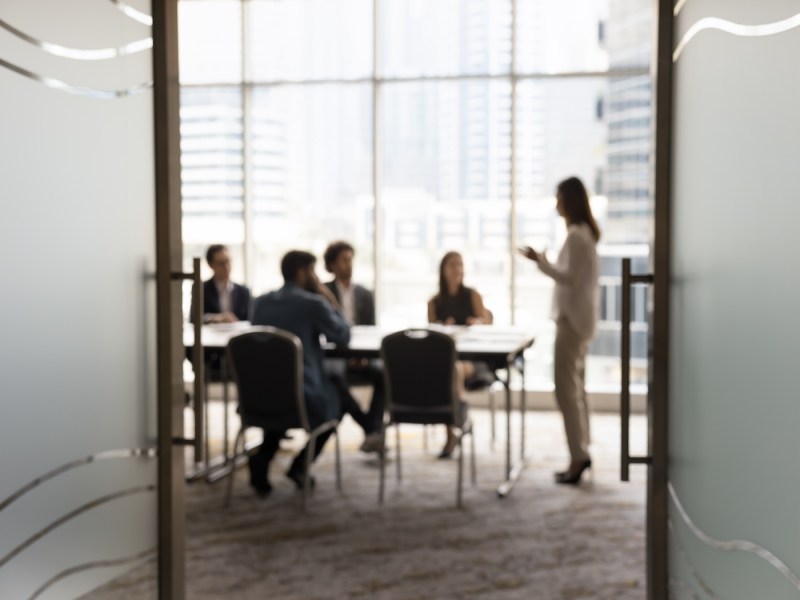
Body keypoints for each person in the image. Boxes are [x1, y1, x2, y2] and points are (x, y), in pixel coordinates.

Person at [248, 250, 373, 496]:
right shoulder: (312, 304)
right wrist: (329, 299)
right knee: (335, 405)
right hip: (301, 395)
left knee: (283, 395)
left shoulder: (260, 303)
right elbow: (343, 336)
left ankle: (262, 458)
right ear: (303, 272)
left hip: (260, 395)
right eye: (313, 271)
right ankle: (300, 466)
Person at [518, 176, 600, 485]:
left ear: (569, 200)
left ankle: (578, 456)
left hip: (572, 323)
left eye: (559, 198)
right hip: (580, 321)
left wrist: (539, 261)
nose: (556, 204)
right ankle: (582, 450)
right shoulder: (584, 236)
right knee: (577, 389)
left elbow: (567, 278)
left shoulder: (577, 237)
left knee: (566, 391)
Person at [427, 251, 493, 459]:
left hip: (473, 359)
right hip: (446, 357)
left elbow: (487, 323)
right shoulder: (434, 302)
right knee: (445, 370)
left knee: (451, 371)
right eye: (452, 265)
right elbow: (431, 332)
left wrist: (478, 322)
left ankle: (456, 424)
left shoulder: (472, 295)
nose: (457, 269)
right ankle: (457, 424)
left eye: (460, 265)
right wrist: (443, 327)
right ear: (443, 270)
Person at [323, 241, 384, 453]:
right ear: (332, 265)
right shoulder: (323, 293)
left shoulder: (365, 294)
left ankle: (372, 429)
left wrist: (362, 355)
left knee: (384, 374)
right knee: (335, 378)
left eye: (351, 260)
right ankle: (371, 429)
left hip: (363, 352)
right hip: (335, 354)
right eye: (344, 260)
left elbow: (371, 330)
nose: (349, 265)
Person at [191, 244, 251, 324]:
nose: (226, 267)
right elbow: (193, 318)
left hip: (238, 335)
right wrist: (215, 318)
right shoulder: (201, 289)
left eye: (228, 261)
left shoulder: (243, 291)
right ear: (211, 265)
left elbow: (250, 320)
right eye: (221, 263)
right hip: (211, 335)